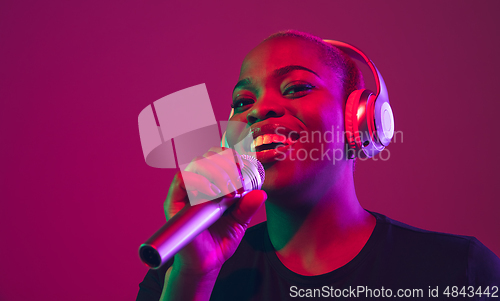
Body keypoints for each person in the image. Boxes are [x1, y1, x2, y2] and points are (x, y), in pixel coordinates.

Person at [137, 31, 500, 301]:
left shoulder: (459, 269)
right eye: (243, 101)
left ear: (360, 121)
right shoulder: (177, 275)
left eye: (296, 88)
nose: (259, 110)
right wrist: (194, 277)